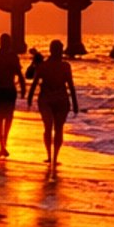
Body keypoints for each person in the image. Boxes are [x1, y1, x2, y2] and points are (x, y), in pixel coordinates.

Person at [28, 38, 78, 168]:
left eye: (61, 50)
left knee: (59, 128)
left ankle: (55, 156)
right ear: (51, 51)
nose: (60, 53)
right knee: (48, 126)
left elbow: (71, 86)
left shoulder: (65, 67)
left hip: (61, 97)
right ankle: (49, 155)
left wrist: (75, 103)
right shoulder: (43, 66)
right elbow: (34, 83)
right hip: (46, 97)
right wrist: (29, 98)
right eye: (57, 50)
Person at [0, 32, 25, 158]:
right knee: (5, 117)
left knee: (3, 116)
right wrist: (23, 87)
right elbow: (18, 73)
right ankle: (3, 144)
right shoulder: (9, 56)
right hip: (4, 89)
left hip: (2, 89)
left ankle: (3, 143)